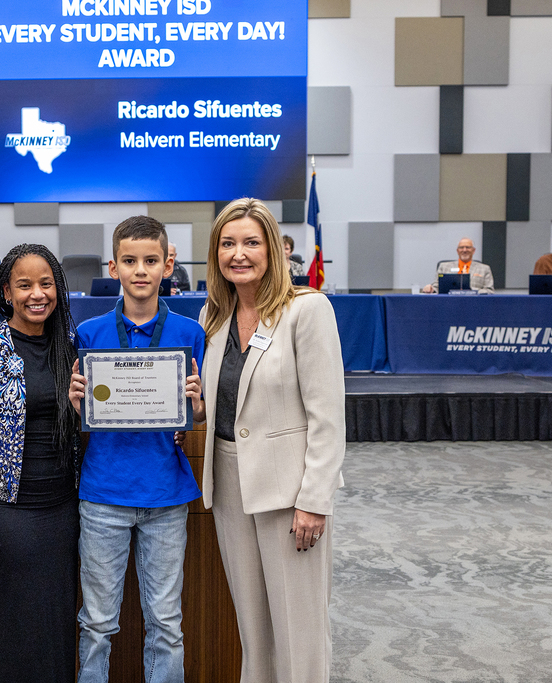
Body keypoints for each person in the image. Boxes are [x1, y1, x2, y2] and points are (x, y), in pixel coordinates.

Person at [198, 198, 345, 683]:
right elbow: (223, 402)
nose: (238, 254)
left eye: (251, 243)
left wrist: (314, 500)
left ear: (274, 250)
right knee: (253, 633)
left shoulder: (307, 309)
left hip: (290, 495)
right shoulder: (212, 315)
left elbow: (328, 417)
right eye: (228, 243)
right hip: (229, 486)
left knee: (299, 633)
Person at [68, 216, 206, 683]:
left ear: (168, 266)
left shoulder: (190, 333)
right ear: (114, 267)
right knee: (96, 623)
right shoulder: (89, 334)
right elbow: (80, 417)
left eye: (151, 260)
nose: (140, 270)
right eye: (129, 261)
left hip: (166, 496)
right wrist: (76, 403)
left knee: (166, 624)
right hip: (103, 495)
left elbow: (199, 415)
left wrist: (197, 406)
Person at [0, 244, 81, 683]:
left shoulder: (72, 347)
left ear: (58, 289)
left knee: (59, 625)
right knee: (15, 628)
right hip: (7, 513)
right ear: (7, 292)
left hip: (64, 509)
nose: (37, 294)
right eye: (24, 285)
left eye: (46, 284)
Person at [422, 238, 494, 294]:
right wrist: (430, 288)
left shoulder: (484, 269)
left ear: (473, 250)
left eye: (468, 247)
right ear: (457, 251)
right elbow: (436, 287)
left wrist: (471, 292)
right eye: (461, 247)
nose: (464, 250)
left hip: (474, 303)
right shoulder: (444, 267)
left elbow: (490, 291)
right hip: (449, 302)